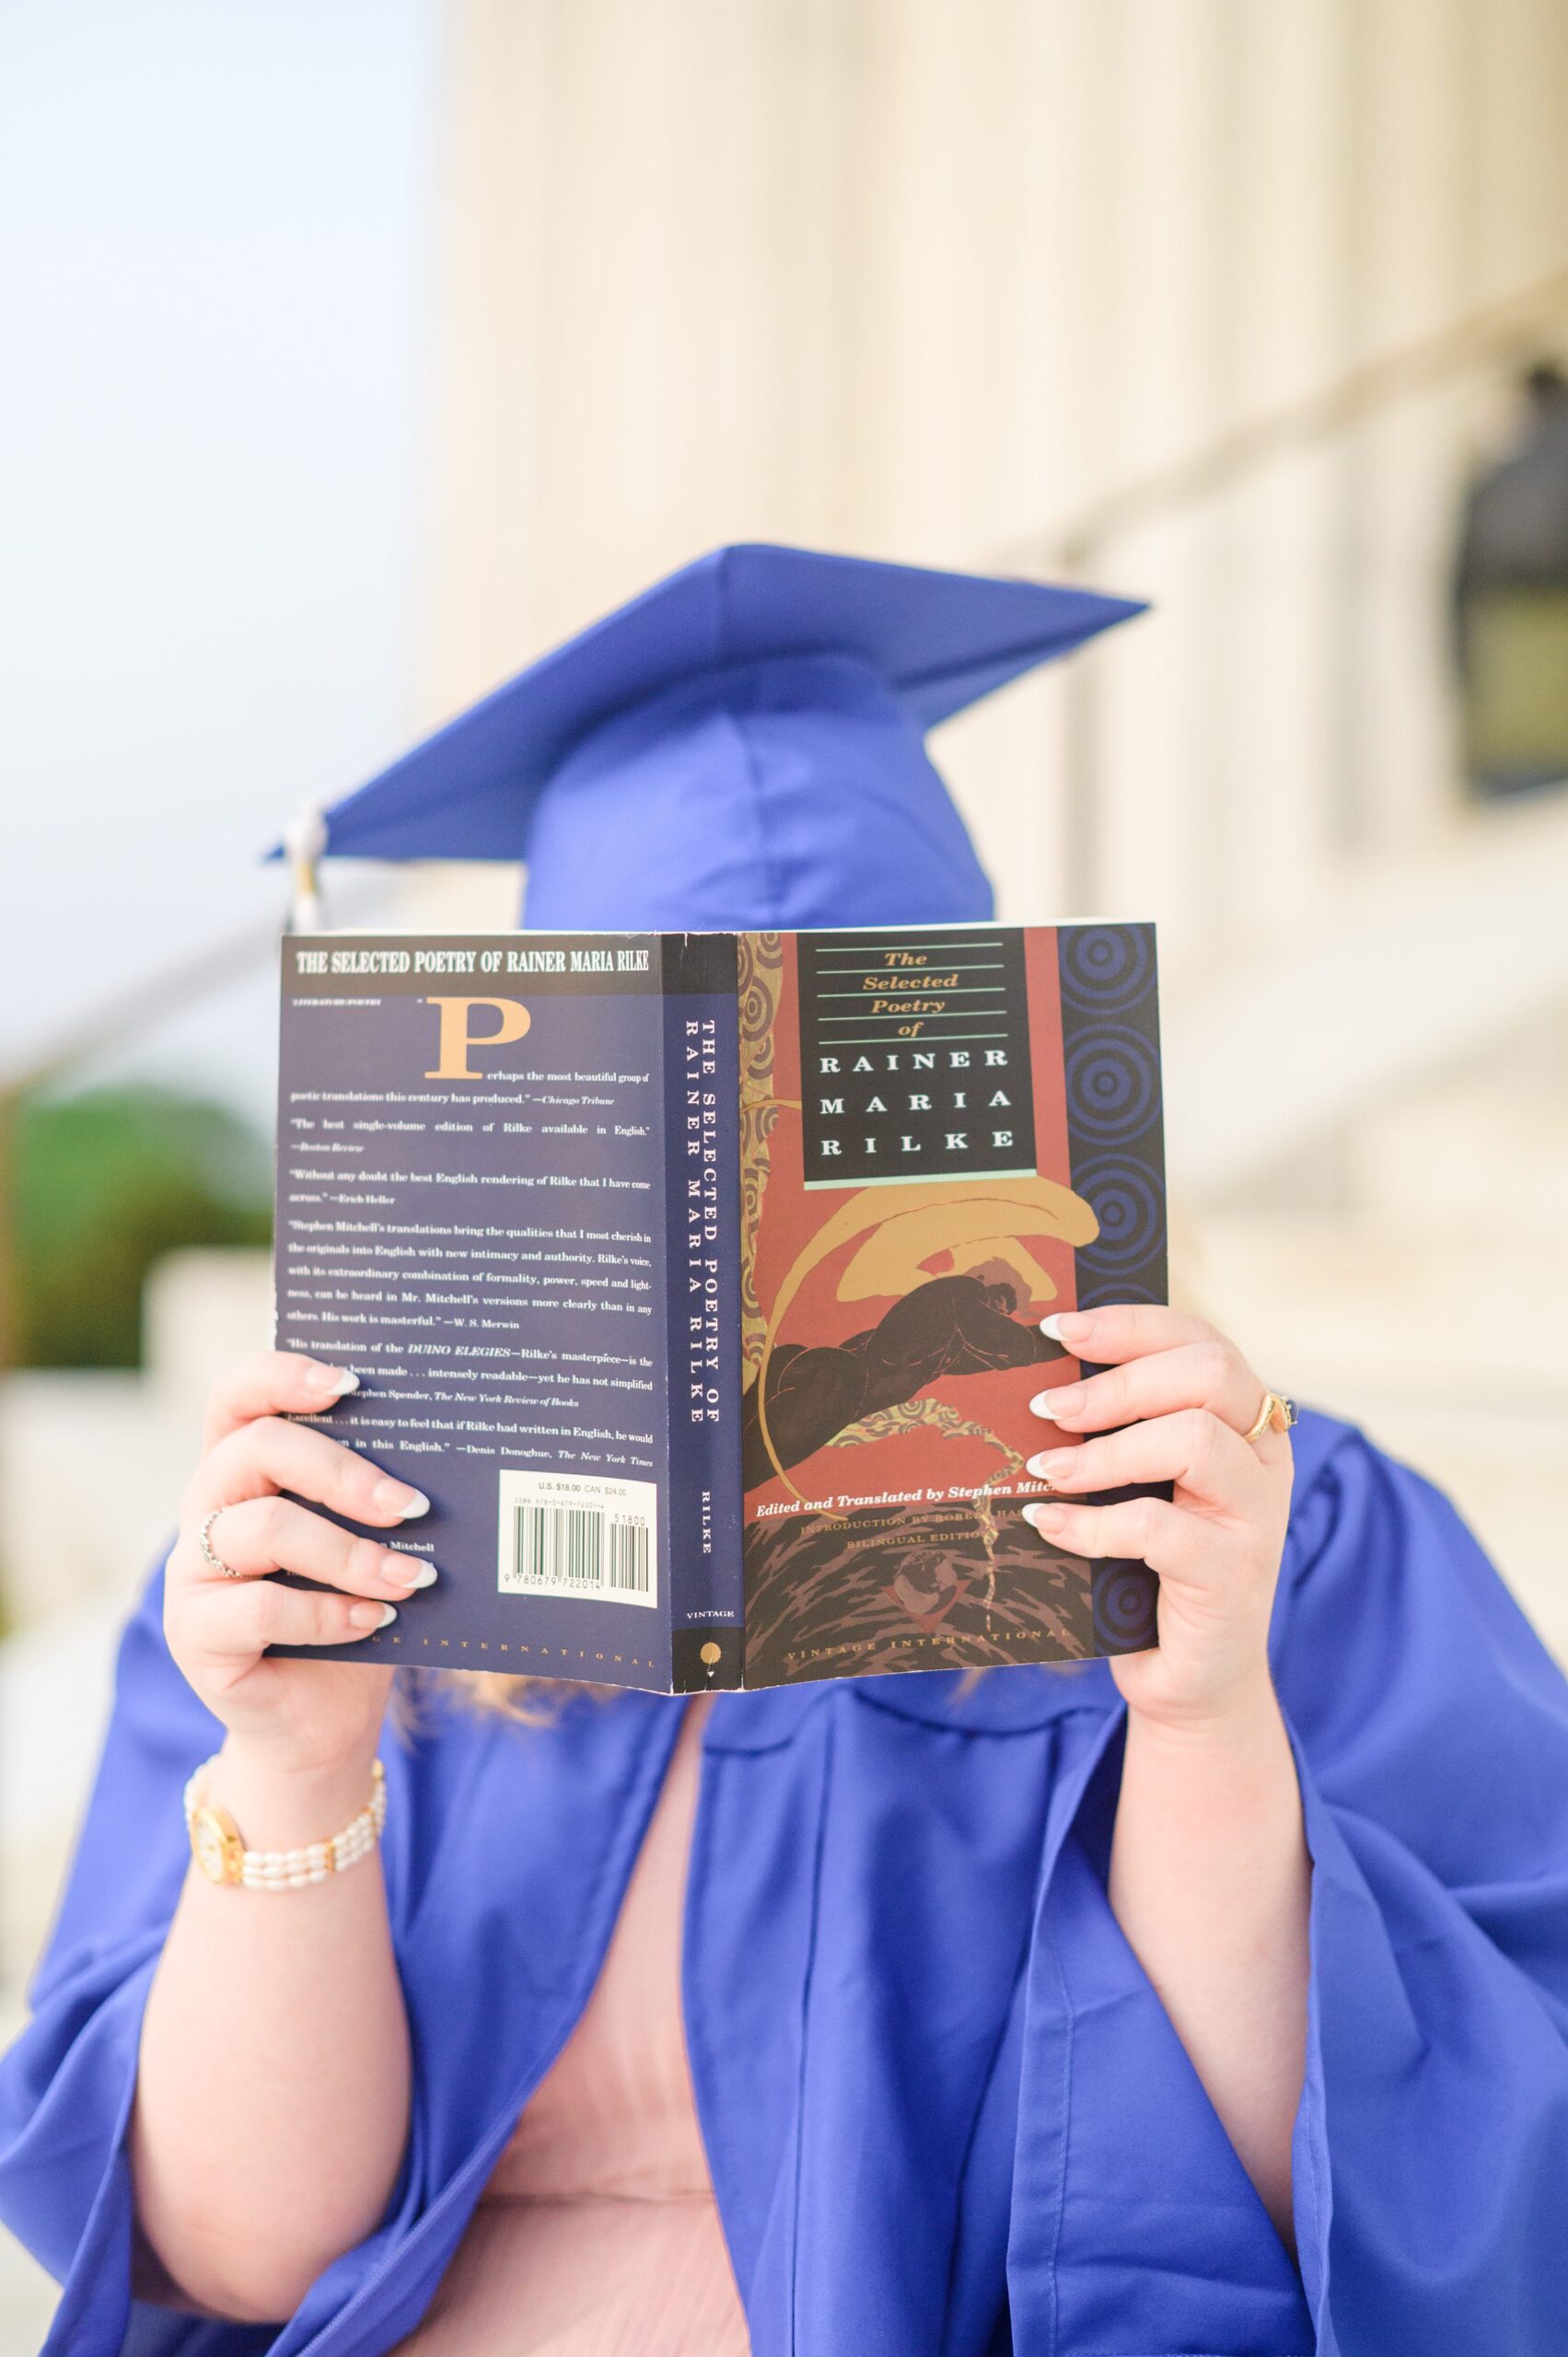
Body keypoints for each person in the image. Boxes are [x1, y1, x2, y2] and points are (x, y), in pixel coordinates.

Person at [4, 546, 1568, 2357]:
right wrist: (295, 1759)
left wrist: (1204, 1715)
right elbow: (241, 2253)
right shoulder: (345, 1538)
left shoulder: (1292, 1522)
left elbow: (1396, 2204)